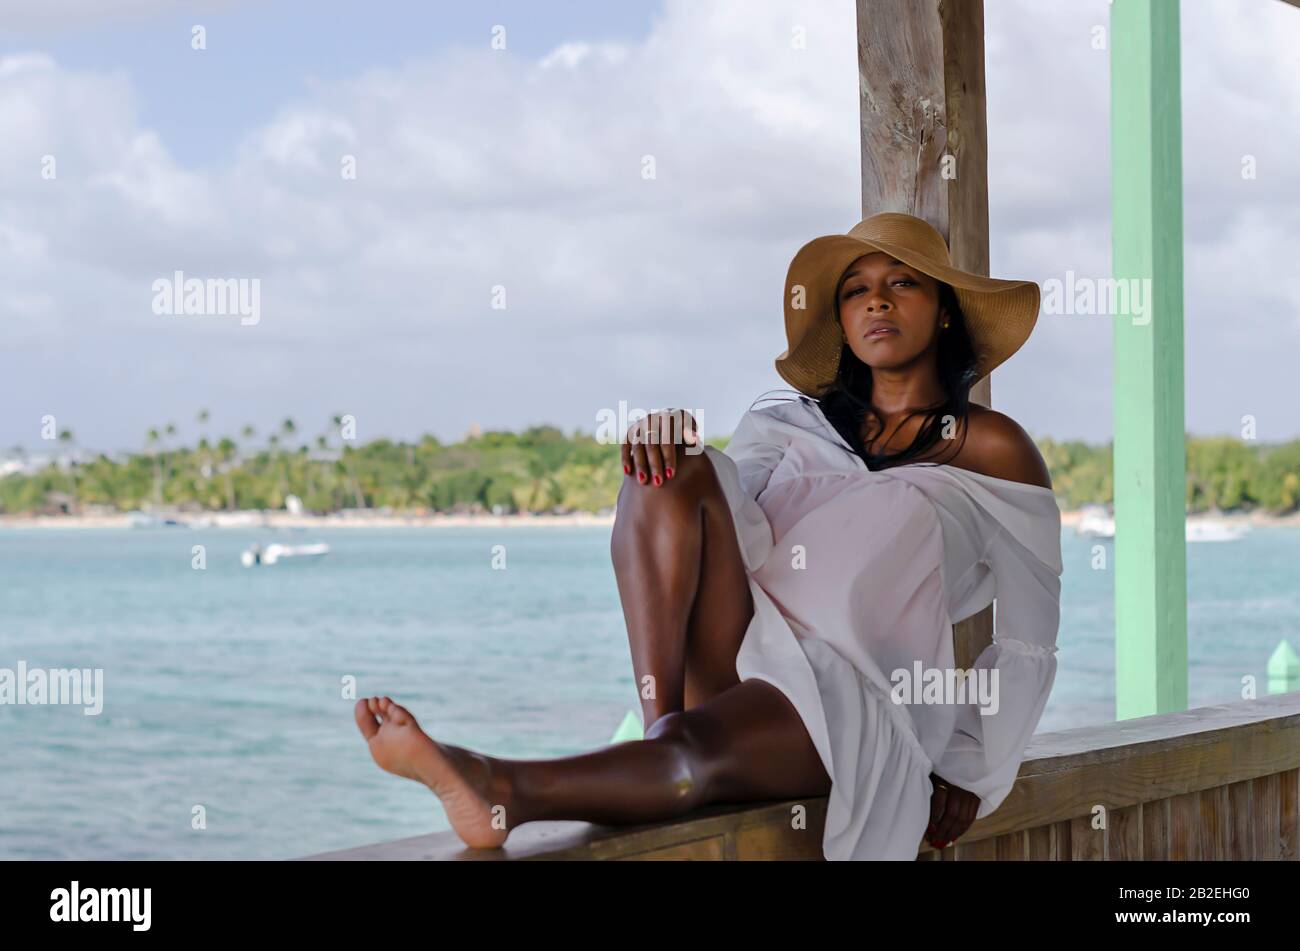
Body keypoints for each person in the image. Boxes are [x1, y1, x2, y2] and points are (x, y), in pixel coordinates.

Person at [353, 212, 1063, 859]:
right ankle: (659, 726)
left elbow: (1029, 637)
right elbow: (720, 516)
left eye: (902, 283)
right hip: (740, 645)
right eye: (856, 290)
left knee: (697, 750)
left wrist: (966, 765)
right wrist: (662, 446)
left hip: (848, 692)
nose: (876, 301)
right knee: (671, 465)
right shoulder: (790, 425)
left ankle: (501, 784)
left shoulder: (992, 448)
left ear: (942, 312)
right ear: (842, 321)